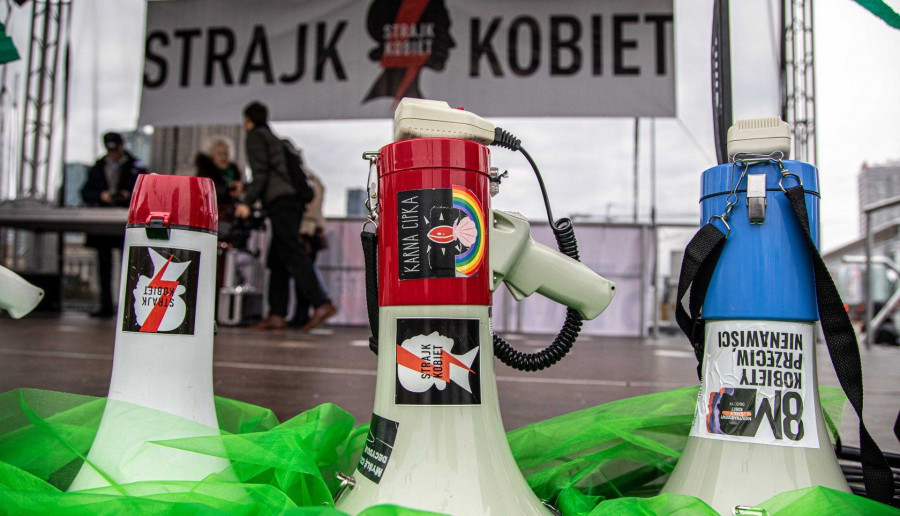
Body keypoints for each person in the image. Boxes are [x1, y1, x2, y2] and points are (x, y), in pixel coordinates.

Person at [234, 101, 336, 331]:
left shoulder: (255, 137)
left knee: (290, 250)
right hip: (291, 201)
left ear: (247, 119)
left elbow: (262, 174)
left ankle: (321, 302)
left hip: (281, 202)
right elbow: (272, 174)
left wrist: (246, 202)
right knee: (278, 258)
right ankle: (277, 314)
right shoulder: (275, 139)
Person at [81, 132, 148, 317]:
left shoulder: (136, 166)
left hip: (127, 221)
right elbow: (85, 192)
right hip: (103, 222)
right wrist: (102, 196)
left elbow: (147, 189)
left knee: (130, 265)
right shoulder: (98, 166)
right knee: (104, 265)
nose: (113, 153)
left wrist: (127, 195)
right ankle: (105, 305)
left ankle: (130, 306)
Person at [289, 156, 328, 328]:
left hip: (305, 228)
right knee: (304, 271)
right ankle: (301, 315)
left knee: (302, 273)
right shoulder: (313, 178)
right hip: (313, 230)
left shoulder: (303, 179)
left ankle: (303, 315)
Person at [195, 135, 243, 229]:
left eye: (226, 154)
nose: (223, 157)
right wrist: (228, 191)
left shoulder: (233, 171)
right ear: (212, 156)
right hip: (212, 216)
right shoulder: (205, 172)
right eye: (219, 154)